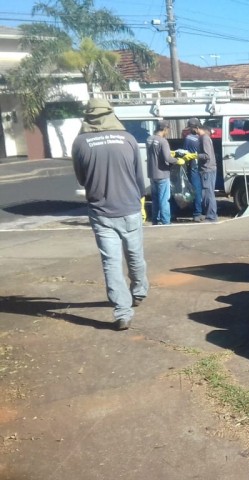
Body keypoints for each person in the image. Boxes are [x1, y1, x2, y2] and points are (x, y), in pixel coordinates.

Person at [72, 98, 149, 330]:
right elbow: (139, 177)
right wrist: (138, 197)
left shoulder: (80, 143)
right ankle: (139, 291)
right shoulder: (128, 139)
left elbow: (81, 178)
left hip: (101, 212)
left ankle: (122, 312)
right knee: (135, 254)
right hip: (129, 207)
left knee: (111, 262)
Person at [146, 120, 177, 225]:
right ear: (165, 129)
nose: (168, 132)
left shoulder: (149, 139)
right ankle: (165, 221)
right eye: (168, 129)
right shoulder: (163, 141)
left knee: (155, 199)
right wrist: (178, 160)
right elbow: (168, 158)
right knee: (164, 199)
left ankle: (155, 220)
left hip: (152, 173)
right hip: (162, 174)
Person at [182, 118, 204, 222]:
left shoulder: (188, 138)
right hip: (202, 164)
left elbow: (185, 152)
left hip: (193, 164)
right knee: (200, 189)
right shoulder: (202, 137)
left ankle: (196, 213)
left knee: (195, 189)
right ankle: (199, 211)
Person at [195, 122, 218, 222]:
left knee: (208, 194)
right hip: (209, 169)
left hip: (207, 169)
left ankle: (211, 216)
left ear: (197, 128)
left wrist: (195, 155)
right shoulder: (206, 138)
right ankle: (210, 215)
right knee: (208, 193)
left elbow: (207, 155)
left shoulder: (204, 138)